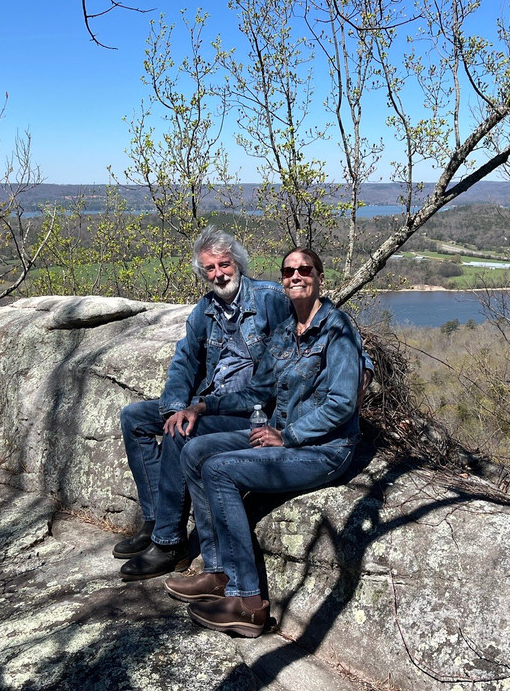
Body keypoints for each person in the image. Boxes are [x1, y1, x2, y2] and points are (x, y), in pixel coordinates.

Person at [166, 247, 365, 637]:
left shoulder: (338, 329)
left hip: (322, 450)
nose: (295, 276)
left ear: (319, 276)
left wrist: (287, 436)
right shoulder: (285, 331)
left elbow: (342, 403)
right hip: (280, 434)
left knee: (219, 469)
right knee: (194, 451)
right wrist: (202, 406)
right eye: (288, 271)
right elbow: (256, 393)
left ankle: (249, 603)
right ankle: (217, 570)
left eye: (304, 269)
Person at [115, 227, 294, 580]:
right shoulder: (206, 309)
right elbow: (185, 360)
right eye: (209, 269)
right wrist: (173, 407)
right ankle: (154, 521)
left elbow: (280, 371)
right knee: (135, 417)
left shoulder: (270, 299)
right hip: (206, 404)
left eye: (224, 265)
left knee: (183, 431)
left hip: (251, 413)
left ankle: (170, 543)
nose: (219, 274)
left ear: (238, 263)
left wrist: (194, 411)